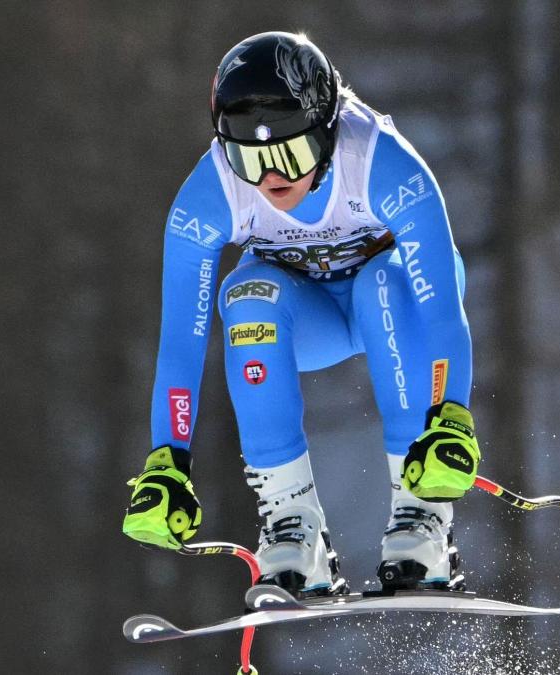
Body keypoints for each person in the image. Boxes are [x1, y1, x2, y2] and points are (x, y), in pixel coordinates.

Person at [121, 31, 481, 598]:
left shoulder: (379, 162)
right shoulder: (209, 194)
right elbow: (180, 346)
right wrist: (169, 460)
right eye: (249, 159)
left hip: (395, 312)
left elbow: (441, 309)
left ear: (328, 131)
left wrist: (450, 415)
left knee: (380, 282)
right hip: (308, 320)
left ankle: (422, 519)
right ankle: (293, 525)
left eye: (289, 154)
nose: (270, 178)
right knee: (246, 297)